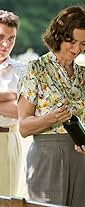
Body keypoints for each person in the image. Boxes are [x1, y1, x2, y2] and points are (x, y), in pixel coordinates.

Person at [17, 5, 85, 207]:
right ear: (58, 36)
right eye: (71, 41)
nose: (76, 49)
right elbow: (23, 127)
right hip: (46, 159)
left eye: (83, 43)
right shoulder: (35, 69)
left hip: (82, 161)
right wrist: (52, 118)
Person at [0, 10, 23, 196]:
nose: (5, 44)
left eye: (11, 39)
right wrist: (12, 95)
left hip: (8, 141)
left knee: (6, 200)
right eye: (0, 37)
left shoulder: (21, 71)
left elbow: (21, 111)